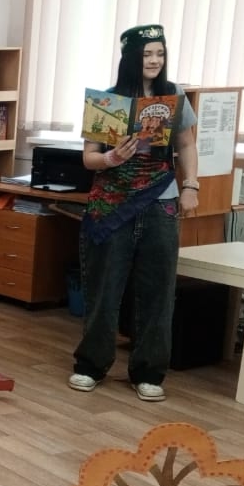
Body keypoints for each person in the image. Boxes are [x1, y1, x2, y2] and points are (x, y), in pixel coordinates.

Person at [69, 24, 198, 401]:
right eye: (147, 54)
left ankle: (149, 372)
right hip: (112, 205)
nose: (154, 60)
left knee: (159, 289)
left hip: (160, 201)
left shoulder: (174, 96)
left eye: (160, 53)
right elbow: (89, 158)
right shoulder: (108, 101)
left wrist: (191, 186)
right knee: (104, 287)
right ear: (130, 58)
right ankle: (91, 365)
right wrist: (111, 157)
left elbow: (187, 145)